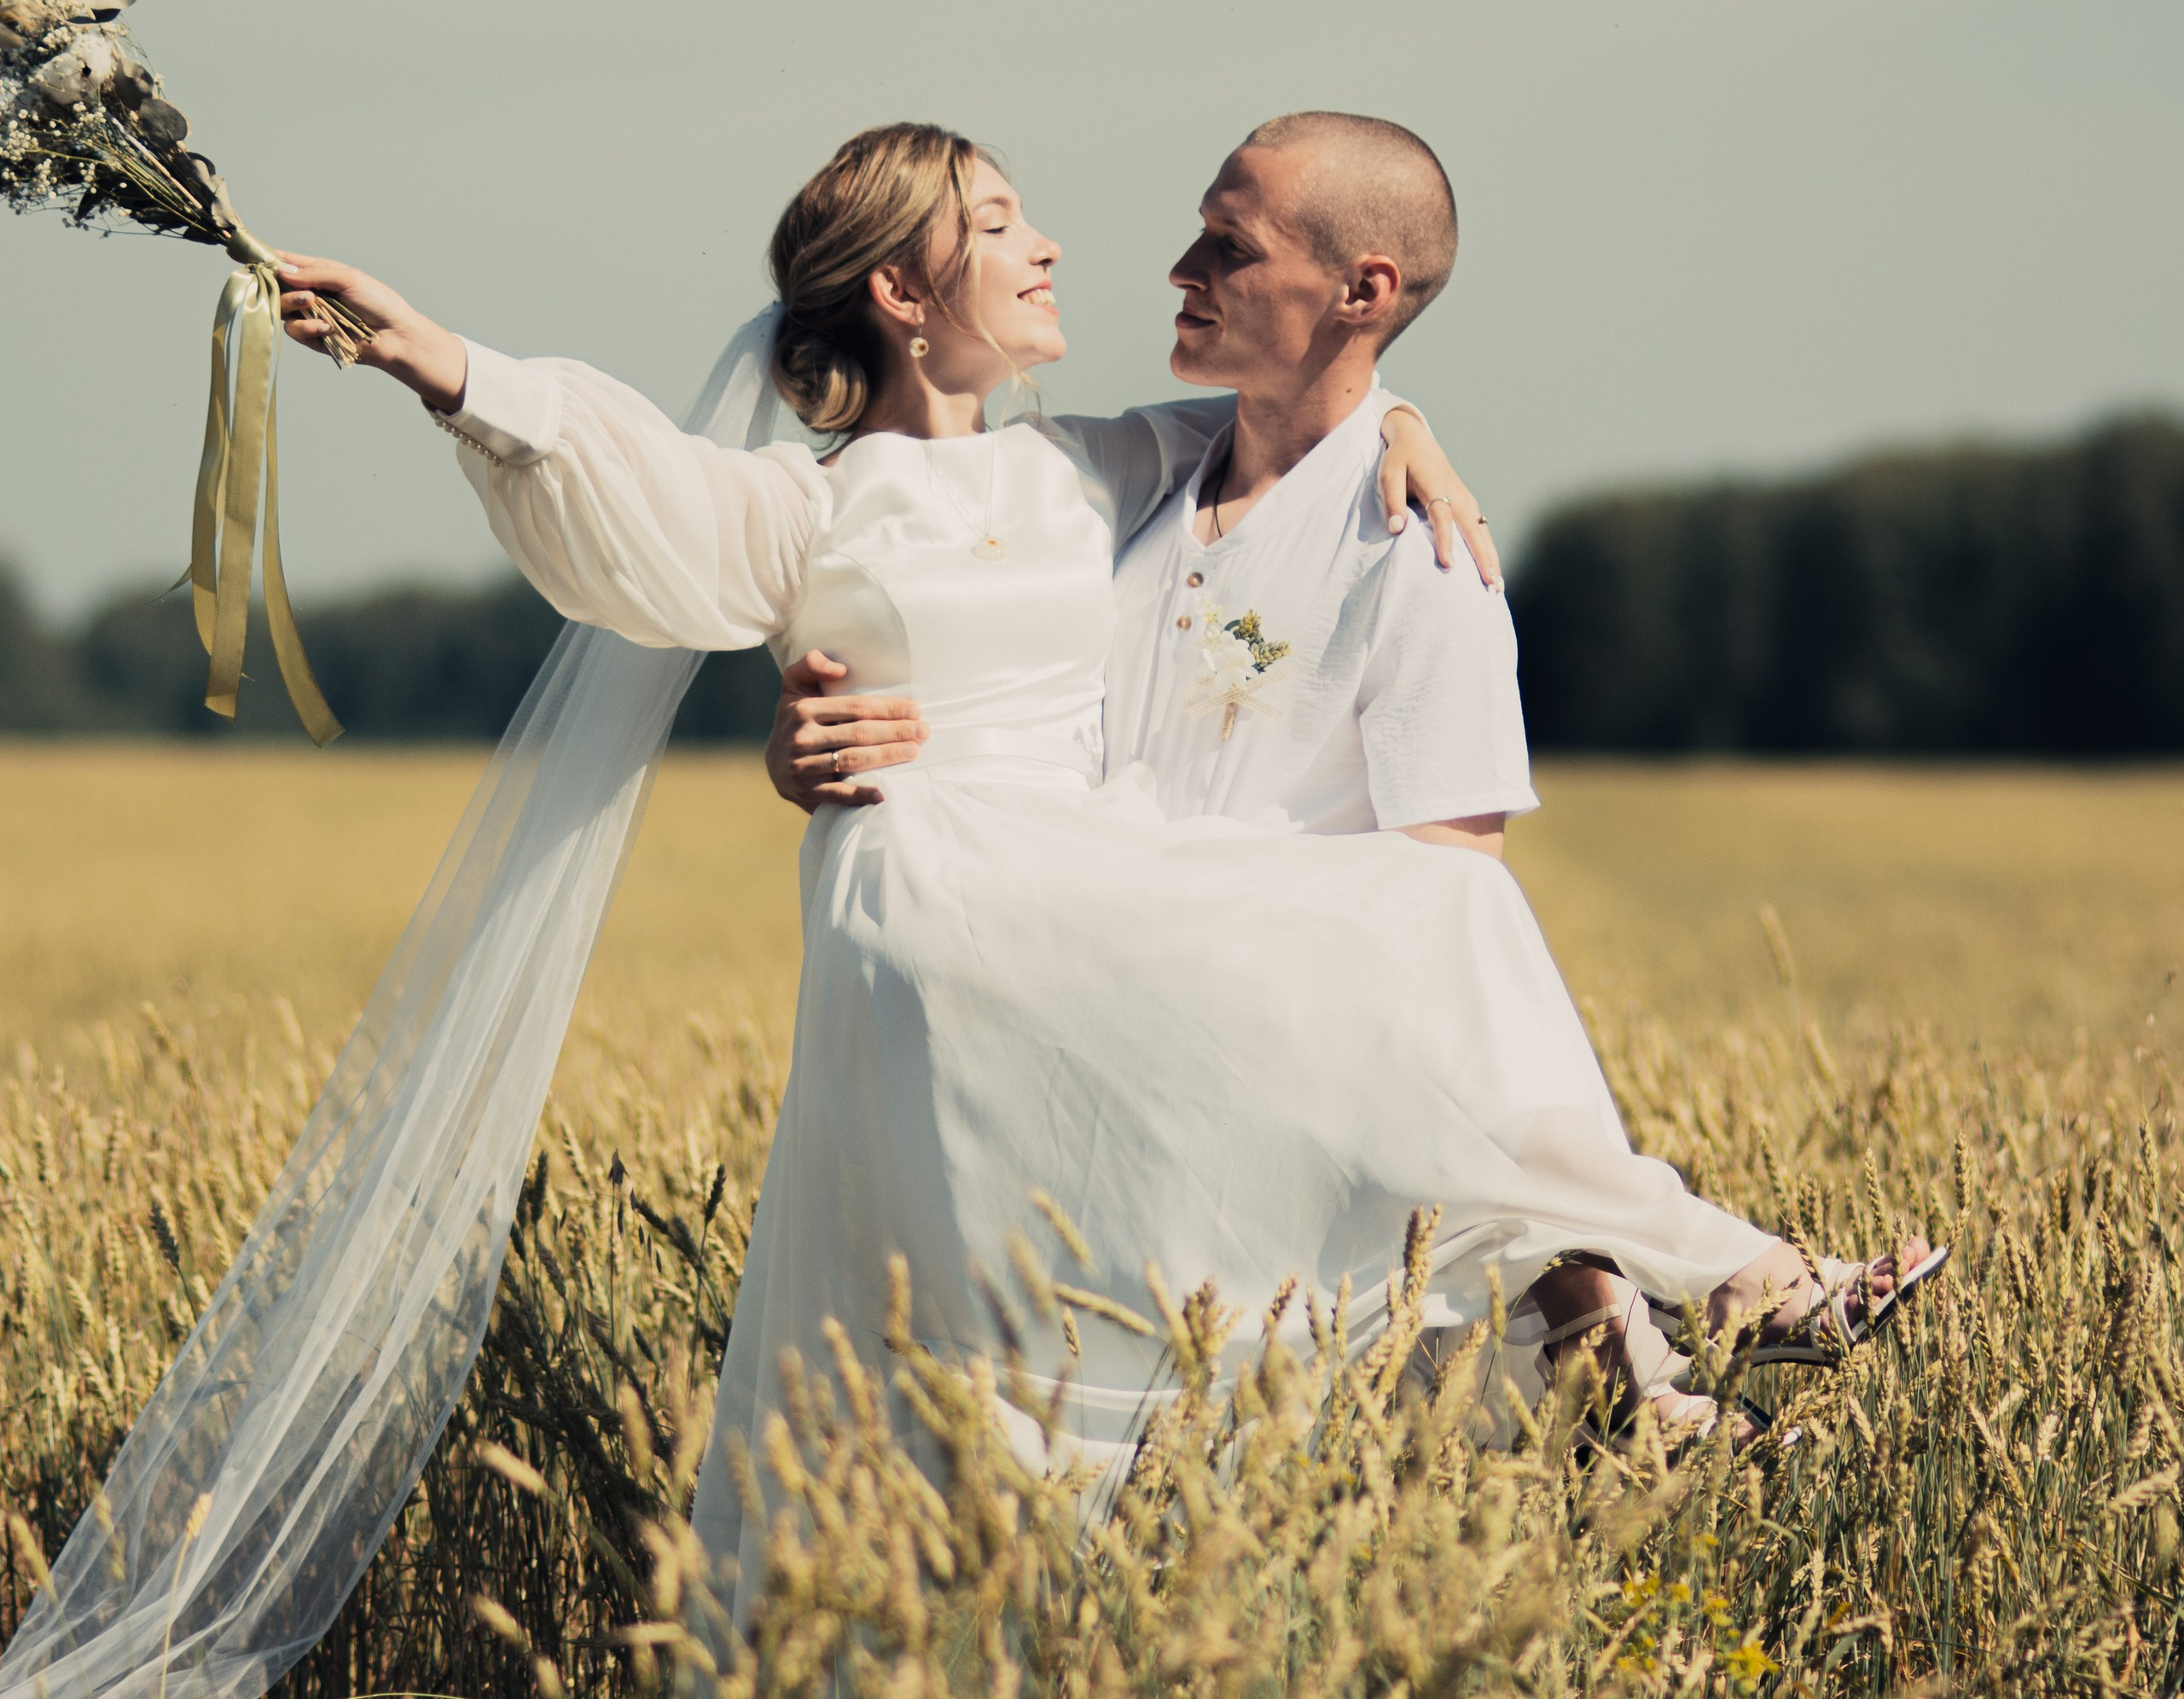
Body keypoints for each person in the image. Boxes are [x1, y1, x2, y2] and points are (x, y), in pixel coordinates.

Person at [272, 120, 1937, 1613]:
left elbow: (1318, 392)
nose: (1061, 244)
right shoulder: (813, 503)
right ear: (901, 296)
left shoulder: (1094, 466)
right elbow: (635, 483)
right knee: (1424, 936)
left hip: (1087, 877)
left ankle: (1650, 1306)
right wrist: (436, 358)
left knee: (1425, 930)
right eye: (999, 222)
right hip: (936, 892)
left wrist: (1403, 409)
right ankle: (1698, 1288)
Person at [759, 113, 1945, 1447]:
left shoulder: (1420, 551)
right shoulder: (1121, 496)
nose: (1177, 268)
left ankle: (1654, 1351)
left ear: (1361, 292)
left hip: (1266, 1119)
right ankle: (1681, 1336)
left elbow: (1443, 961)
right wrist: (815, 735)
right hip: (1075, 1078)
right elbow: (966, 646)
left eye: (1228, 244)